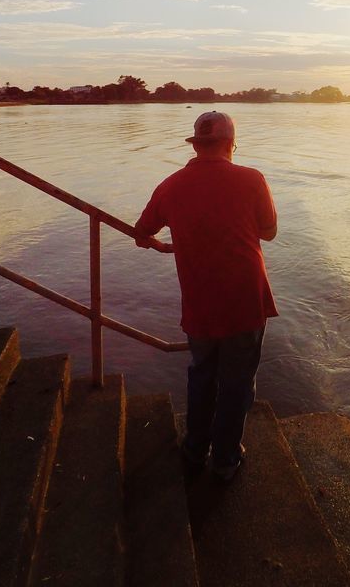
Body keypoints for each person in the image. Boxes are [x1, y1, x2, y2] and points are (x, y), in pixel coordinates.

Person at [134, 110, 278, 481]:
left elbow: (141, 232)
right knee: (237, 381)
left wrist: (164, 245)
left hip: (199, 301)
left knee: (201, 375)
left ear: (195, 145)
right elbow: (269, 232)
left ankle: (195, 450)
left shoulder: (171, 185)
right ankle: (226, 460)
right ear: (232, 143)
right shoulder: (252, 179)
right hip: (246, 300)